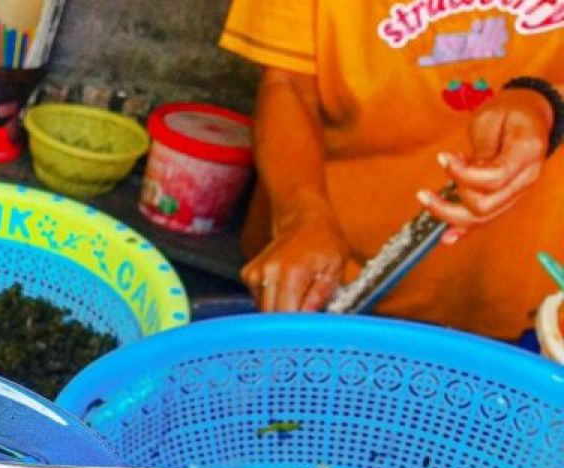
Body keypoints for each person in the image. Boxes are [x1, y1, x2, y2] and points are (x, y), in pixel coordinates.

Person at [220, 1, 564, 341]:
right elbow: (288, 83)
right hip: (330, 269)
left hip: (528, 297)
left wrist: (547, 102)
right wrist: (300, 216)